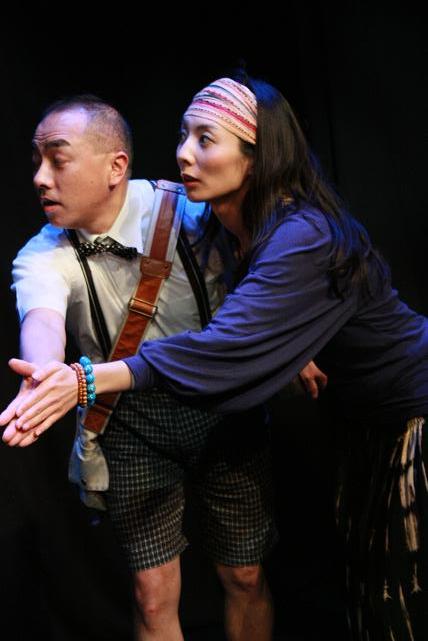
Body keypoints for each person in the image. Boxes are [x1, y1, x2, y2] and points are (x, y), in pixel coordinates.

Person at [6, 73, 426, 639]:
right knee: (157, 592)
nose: (184, 153)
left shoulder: (242, 222)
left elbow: (228, 344)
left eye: (206, 139)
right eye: (184, 136)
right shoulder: (226, 222)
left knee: (353, 587)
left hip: (372, 412)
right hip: (147, 423)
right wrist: (43, 376)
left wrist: (85, 380)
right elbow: (42, 317)